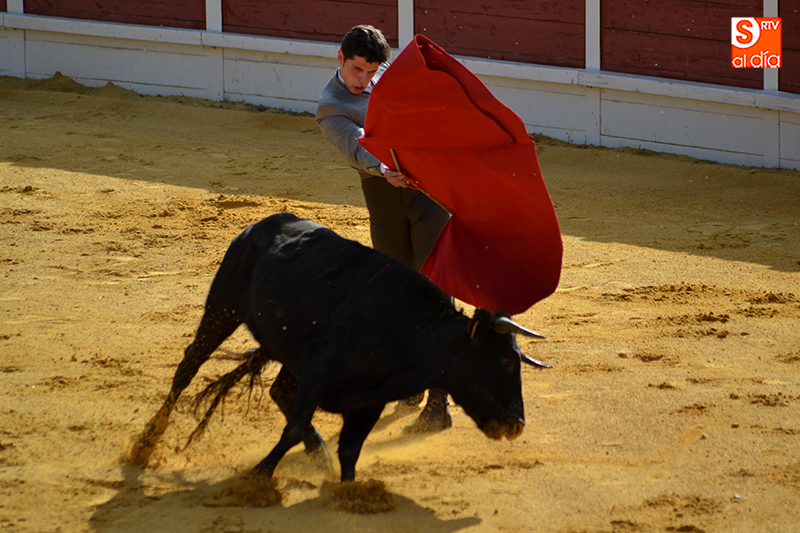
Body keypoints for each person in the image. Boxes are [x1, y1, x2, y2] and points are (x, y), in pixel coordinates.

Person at [316, 24, 452, 433]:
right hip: (386, 202)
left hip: (427, 199)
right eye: (357, 70)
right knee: (397, 297)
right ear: (340, 58)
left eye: (371, 71)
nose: (364, 80)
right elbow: (357, 146)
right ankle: (410, 381)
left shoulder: (387, 78)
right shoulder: (331, 106)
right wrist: (382, 167)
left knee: (434, 295)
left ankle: (439, 404)